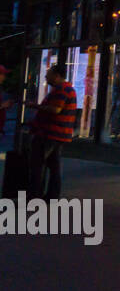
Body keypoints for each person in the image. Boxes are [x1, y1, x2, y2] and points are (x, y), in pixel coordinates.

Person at [25, 64, 77, 199]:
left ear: (57, 76)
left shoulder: (61, 89)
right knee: (54, 166)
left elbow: (56, 109)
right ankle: (52, 195)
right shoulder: (66, 89)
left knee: (38, 164)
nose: (46, 76)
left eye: (49, 73)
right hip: (58, 134)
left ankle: (35, 195)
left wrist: (35, 106)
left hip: (50, 133)